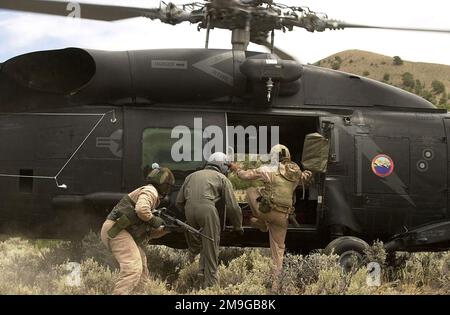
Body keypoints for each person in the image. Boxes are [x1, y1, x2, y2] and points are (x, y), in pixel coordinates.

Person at [230, 144, 312, 285]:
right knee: (278, 251)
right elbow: (307, 181)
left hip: (267, 212)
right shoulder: (296, 174)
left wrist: (237, 169)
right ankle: (276, 286)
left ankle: (262, 221)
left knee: (251, 191)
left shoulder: (268, 169)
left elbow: (245, 176)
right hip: (283, 216)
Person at [100, 165, 175, 295]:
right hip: (117, 230)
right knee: (133, 268)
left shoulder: (149, 193)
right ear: (165, 185)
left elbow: (147, 234)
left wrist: (165, 229)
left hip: (117, 230)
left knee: (142, 267)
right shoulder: (150, 191)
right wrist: (155, 220)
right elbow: (141, 210)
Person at [176, 152, 243, 288]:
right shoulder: (222, 178)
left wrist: (190, 214)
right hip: (207, 210)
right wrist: (238, 226)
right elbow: (232, 207)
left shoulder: (191, 176)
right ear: (222, 166)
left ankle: (200, 273)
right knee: (211, 246)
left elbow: (179, 202)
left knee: (200, 243)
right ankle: (211, 286)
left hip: (189, 211)